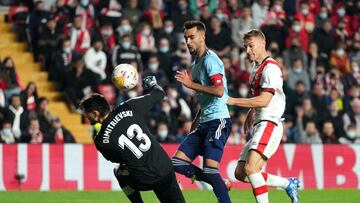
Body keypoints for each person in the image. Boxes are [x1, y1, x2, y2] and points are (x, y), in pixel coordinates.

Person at [79, 76, 185, 203]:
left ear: (95, 114)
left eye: (87, 114)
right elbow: (159, 93)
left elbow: (120, 159)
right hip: (165, 168)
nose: (86, 117)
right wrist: (152, 84)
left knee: (119, 171)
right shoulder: (128, 107)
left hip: (144, 179)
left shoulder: (101, 141)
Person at [227, 29, 300, 203]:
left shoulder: (270, 68)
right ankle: (287, 183)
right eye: (245, 47)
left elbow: (265, 100)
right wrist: (251, 113)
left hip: (270, 121)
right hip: (261, 122)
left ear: (262, 44)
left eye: (251, 46)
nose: (248, 51)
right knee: (241, 173)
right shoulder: (256, 68)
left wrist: (232, 101)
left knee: (252, 168)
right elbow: (259, 96)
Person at [172, 20, 232, 203]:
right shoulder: (196, 65)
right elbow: (204, 97)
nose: (188, 41)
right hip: (204, 121)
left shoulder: (210, 60)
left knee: (210, 170)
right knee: (177, 163)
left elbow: (219, 91)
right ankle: (220, 183)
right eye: (186, 38)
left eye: (192, 37)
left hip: (218, 120)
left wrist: (190, 84)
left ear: (202, 37)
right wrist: (196, 120)